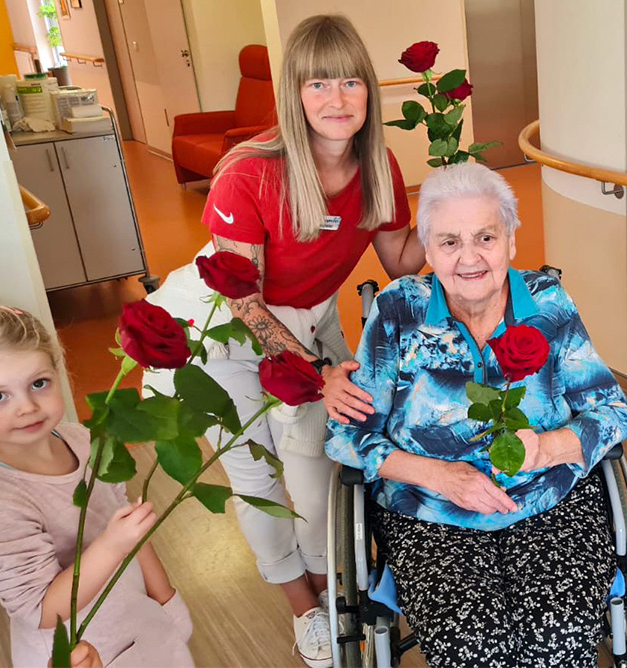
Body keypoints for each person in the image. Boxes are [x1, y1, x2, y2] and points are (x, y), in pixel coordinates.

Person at [146, 15, 425, 666]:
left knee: (314, 462)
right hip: (219, 324)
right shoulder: (249, 173)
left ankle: (331, 587)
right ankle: (306, 608)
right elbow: (243, 299)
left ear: (370, 92)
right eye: (318, 84)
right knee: (257, 473)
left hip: (308, 311)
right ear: (294, 94)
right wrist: (319, 371)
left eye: (350, 82)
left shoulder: (377, 162)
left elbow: (401, 261)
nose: (336, 99)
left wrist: (453, 222)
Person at [326, 163, 627, 667]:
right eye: (448, 242)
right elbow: (346, 433)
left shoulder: (549, 304)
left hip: (549, 500)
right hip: (429, 510)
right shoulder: (399, 309)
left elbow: (611, 411)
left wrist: (546, 448)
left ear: (510, 240)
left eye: (486, 236)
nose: (469, 257)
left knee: (559, 635)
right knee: (472, 647)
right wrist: (438, 474)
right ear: (426, 250)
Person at [0, 305, 193, 667]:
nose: (27, 407)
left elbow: (127, 525)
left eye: (39, 384)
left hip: (137, 618)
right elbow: (39, 610)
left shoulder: (80, 439)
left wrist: (165, 599)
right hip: (78, 652)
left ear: (59, 374)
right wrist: (112, 545)